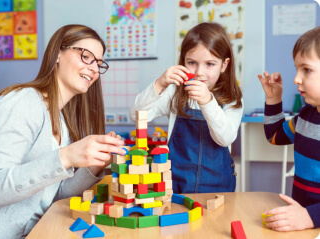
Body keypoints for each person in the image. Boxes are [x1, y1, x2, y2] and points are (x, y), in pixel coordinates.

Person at [0, 24, 126, 239]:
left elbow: (52, 196)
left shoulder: (62, 119)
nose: (93, 69)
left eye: (99, 64)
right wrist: (67, 156)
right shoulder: (22, 101)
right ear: (57, 55)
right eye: (86, 56)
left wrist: (93, 166)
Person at [130, 22, 243, 194]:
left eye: (210, 64)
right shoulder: (174, 93)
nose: (199, 72)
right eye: (192, 62)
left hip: (219, 190)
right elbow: (136, 115)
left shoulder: (232, 98)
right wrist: (159, 84)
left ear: (224, 65)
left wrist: (207, 101)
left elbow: (225, 138)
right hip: (175, 188)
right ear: (183, 60)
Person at [258, 26, 320, 231]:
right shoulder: (305, 116)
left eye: (307, 70)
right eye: (297, 69)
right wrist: (273, 99)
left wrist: (311, 217)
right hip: (300, 224)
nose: (296, 78)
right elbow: (275, 136)